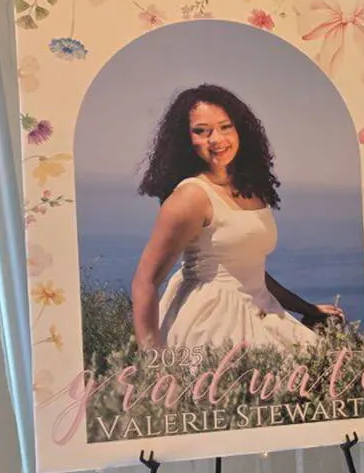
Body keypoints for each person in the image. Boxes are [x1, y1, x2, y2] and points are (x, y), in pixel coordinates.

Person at [132, 84, 342, 352]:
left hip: (260, 310)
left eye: (225, 127)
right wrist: (152, 362)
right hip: (212, 323)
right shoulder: (191, 196)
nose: (216, 139)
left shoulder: (249, 189)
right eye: (201, 131)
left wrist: (306, 308)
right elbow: (145, 281)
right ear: (185, 139)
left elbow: (248, 271)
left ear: (241, 129)